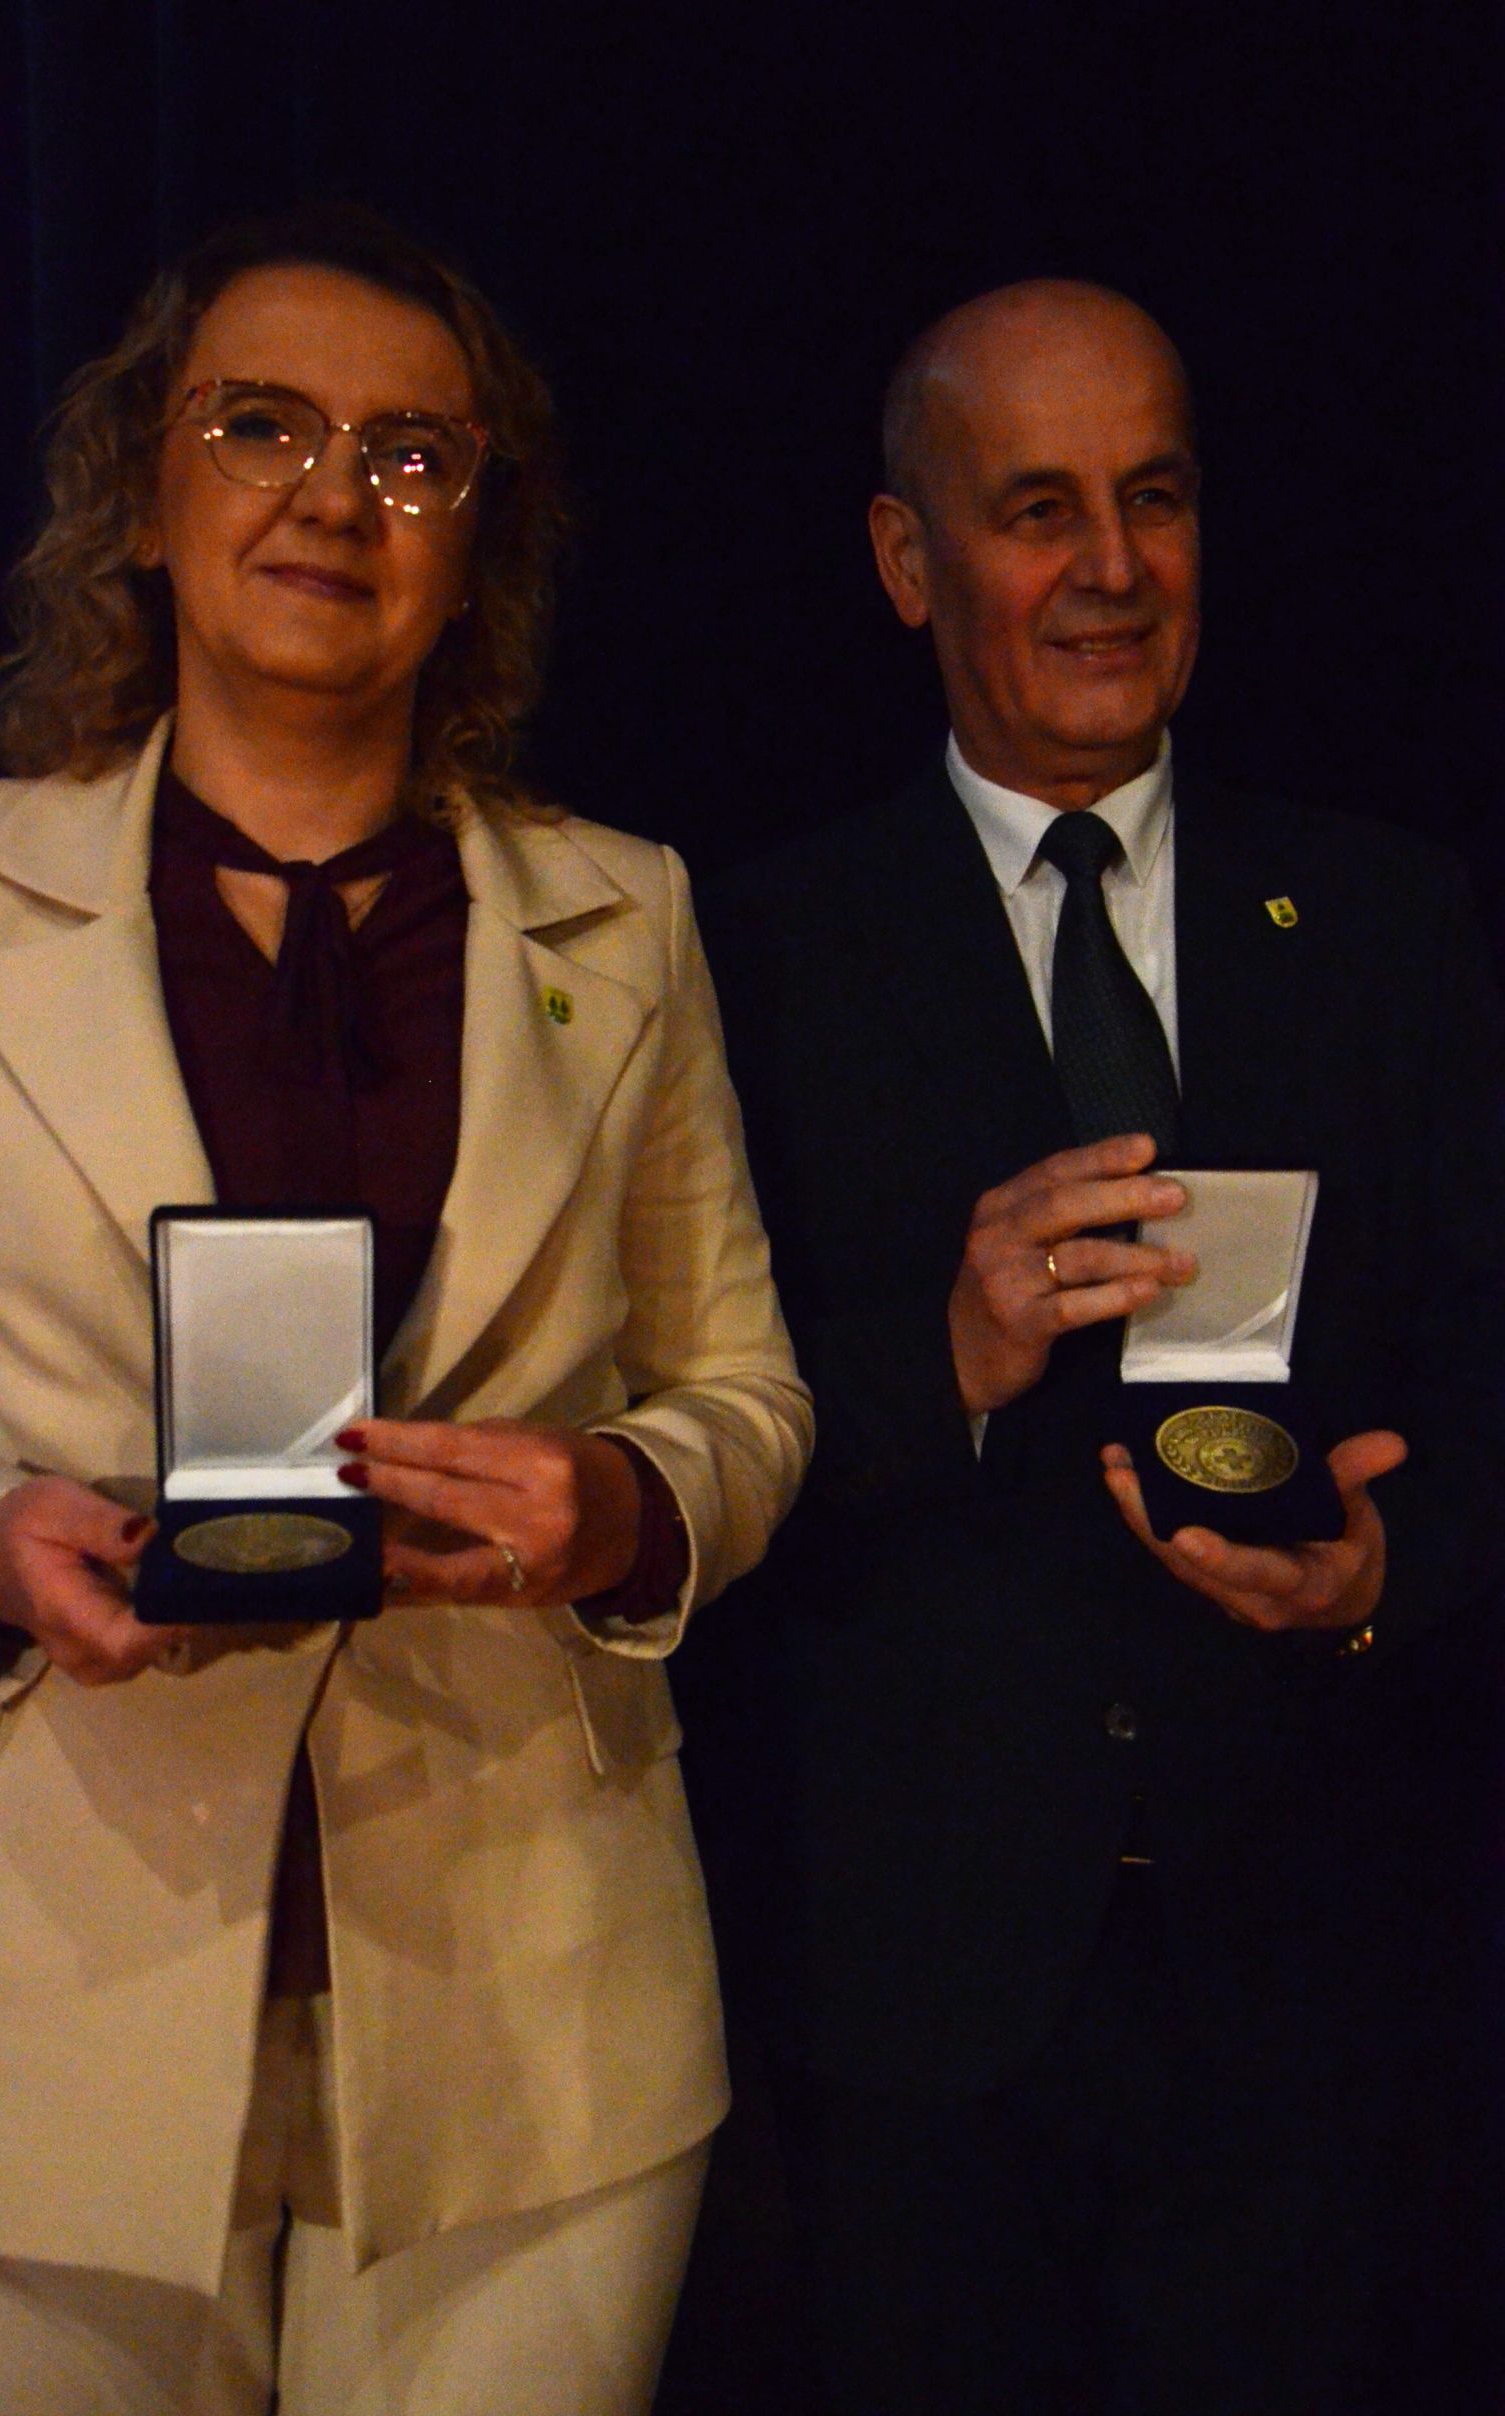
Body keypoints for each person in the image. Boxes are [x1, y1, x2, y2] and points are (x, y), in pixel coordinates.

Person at [0, 203, 811, 2416]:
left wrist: (620, 1506)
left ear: (476, 540)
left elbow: (744, 1388)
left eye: (414, 455)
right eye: (262, 428)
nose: (334, 496)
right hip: (38, 2006)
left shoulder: (626, 913)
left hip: (536, 2023)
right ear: (144, 490)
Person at [687, 280, 1505, 2414]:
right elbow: (687, 1437)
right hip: (916, 2005)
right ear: (907, 561)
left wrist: (1379, 1576)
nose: (1113, 568)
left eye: (1156, 497)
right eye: (1036, 509)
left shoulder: (1387, 920)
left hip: (1307, 1981)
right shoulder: (749, 950)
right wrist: (946, 1357)